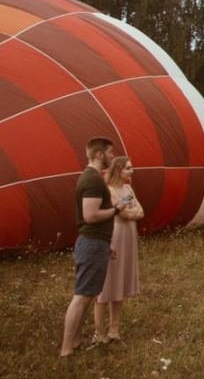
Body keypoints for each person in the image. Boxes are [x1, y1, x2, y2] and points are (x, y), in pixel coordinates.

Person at [60, 137, 124, 357]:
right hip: (92, 243)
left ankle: (75, 341)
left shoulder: (90, 178)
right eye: (110, 153)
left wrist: (105, 245)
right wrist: (116, 209)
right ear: (99, 155)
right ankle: (66, 349)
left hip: (95, 243)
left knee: (87, 295)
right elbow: (91, 215)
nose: (112, 157)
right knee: (81, 297)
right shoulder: (94, 181)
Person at [94, 156, 144, 344]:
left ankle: (114, 329)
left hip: (128, 237)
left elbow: (141, 210)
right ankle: (99, 332)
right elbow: (123, 213)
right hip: (115, 237)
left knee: (120, 282)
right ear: (118, 170)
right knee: (106, 284)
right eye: (129, 168)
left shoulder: (128, 189)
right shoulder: (108, 190)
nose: (132, 171)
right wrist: (131, 213)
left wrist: (131, 213)